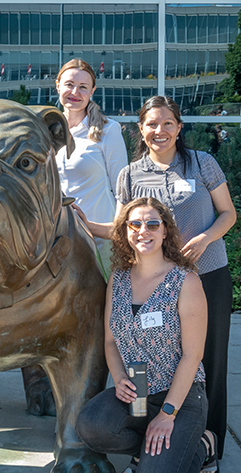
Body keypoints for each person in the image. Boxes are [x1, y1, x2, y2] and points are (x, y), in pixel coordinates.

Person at [78, 95, 236, 459]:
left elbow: (228, 213)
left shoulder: (202, 163)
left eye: (168, 123)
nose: (160, 131)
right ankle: (148, 437)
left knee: (206, 360)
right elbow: (122, 228)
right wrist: (83, 225)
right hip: (153, 281)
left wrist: (206, 237)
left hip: (206, 274)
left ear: (179, 128)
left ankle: (206, 443)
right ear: (141, 130)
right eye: (152, 124)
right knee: (148, 359)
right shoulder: (130, 174)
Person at [76, 197, 217, 473]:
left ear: (165, 231)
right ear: (125, 231)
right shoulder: (118, 278)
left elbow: (193, 355)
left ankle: (202, 445)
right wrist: (118, 379)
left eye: (153, 224)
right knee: (90, 427)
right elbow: (109, 341)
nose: (144, 231)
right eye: (135, 224)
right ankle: (155, 451)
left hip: (181, 396)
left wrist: (167, 414)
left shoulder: (185, 281)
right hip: (137, 392)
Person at [54, 58, 128, 270]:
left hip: (99, 241)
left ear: (92, 91)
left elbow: (123, 190)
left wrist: (117, 231)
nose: (75, 92)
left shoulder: (108, 130)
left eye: (83, 87)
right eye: (69, 84)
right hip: (57, 241)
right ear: (57, 85)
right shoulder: (46, 131)